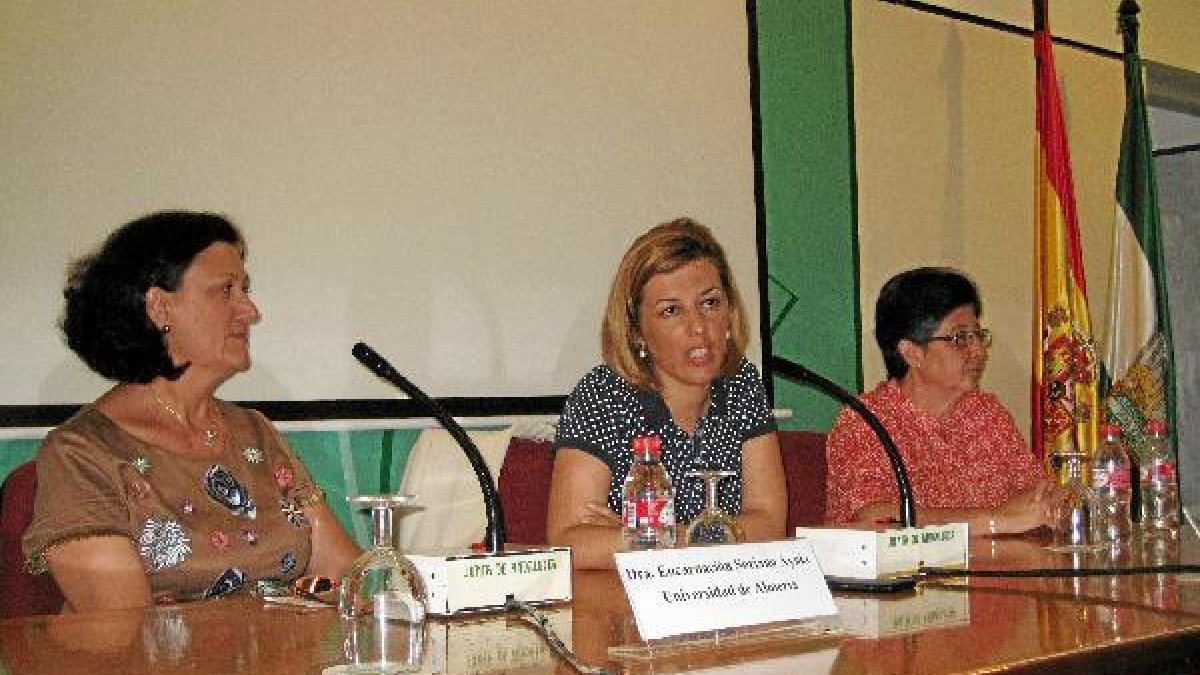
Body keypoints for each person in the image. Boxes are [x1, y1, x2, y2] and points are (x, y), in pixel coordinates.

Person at [22, 211, 360, 611]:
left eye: (245, 289)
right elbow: (126, 629)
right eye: (226, 290)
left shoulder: (254, 432)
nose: (251, 310)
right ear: (159, 307)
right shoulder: (82, 454)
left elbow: (349, 579)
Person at [547, 217, 786, 569]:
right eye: (671, 311)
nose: (699, 327)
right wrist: (703, 538)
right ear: (636, 332)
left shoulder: (743, 384)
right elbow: (569, 543)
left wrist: (645, 540)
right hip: (626, 598)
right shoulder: (601, 396)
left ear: (731, 311)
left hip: (723, 591)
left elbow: (769, 524)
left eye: (710, 303)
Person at [825, 267, 1056, 534]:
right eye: (960, 338)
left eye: (978, 335)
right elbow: (876, 517)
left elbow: (1040, 495)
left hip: (995, 560)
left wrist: (1041, 506)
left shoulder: (985, 413)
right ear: (911, 353)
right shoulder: (865, 421)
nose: (979, 351)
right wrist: (994, 520)